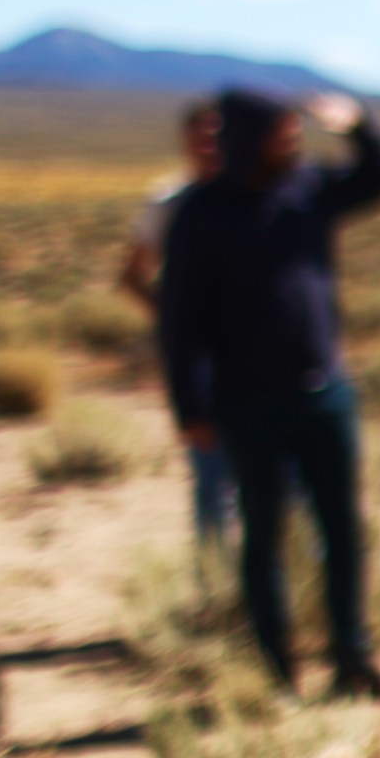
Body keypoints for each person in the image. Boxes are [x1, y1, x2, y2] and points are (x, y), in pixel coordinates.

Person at [160, 87, 380, 700]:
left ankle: (352, 659)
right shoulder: (201, 212)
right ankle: (278, 673)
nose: (295, 143)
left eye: (297, 135)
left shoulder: (308, 192)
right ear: (249, 137)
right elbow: (179, 320)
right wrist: (189, 407)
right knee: (264, 537)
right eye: (283, 135)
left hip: (325, 395)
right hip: (247, 404)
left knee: (342, 530)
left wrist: (360, 126)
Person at [121, 102, 235, 544]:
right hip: (203, 365)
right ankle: (217, 588)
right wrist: (179, 323)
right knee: (212, 479)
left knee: (286, 479)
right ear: (185, 142)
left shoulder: (260, 194)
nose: (208, 145)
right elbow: (132, 277)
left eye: (216, 135)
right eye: (198, 136)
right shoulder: (169, 203)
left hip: (264, 359)